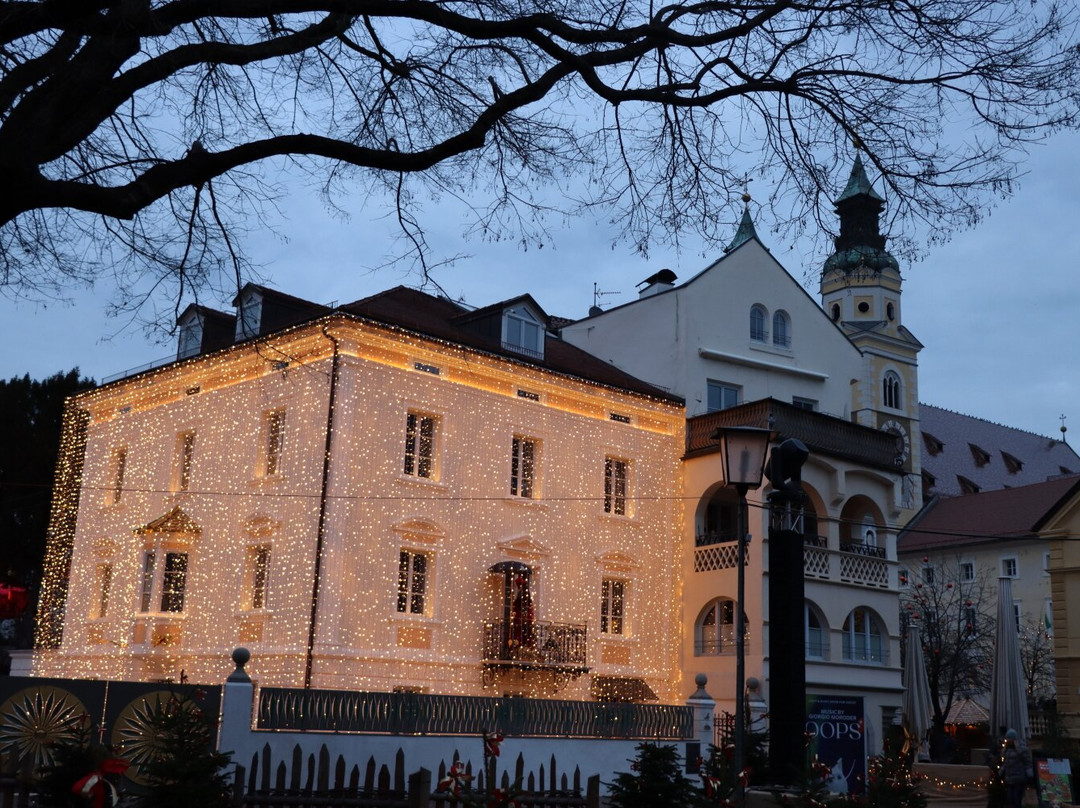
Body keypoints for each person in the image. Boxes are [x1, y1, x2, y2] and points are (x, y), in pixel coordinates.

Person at [998, 728, 1033, 808]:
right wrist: (1001, 771)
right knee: (1010, 799)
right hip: (1009, 779)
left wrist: (1029, 774)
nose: (1008, 741)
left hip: (1019, 779)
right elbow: (1006, 763)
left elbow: (1027, 762)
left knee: (1016, 799)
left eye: (1009, 739)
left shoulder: (1021, 749)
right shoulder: (1006, 750)